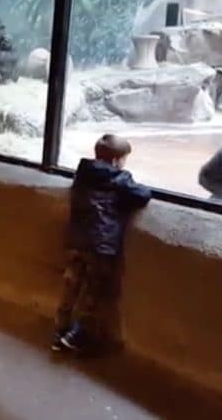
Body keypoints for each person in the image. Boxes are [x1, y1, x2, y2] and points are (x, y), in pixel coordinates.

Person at [52, 134, 152, 355]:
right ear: (117, 160)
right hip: (101, 245)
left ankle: (60, 330)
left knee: (71, 285)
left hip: (77, 240)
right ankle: (78, 336)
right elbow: (142, 195)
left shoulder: (82, 174)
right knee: (93, 291)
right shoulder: (119, 179)